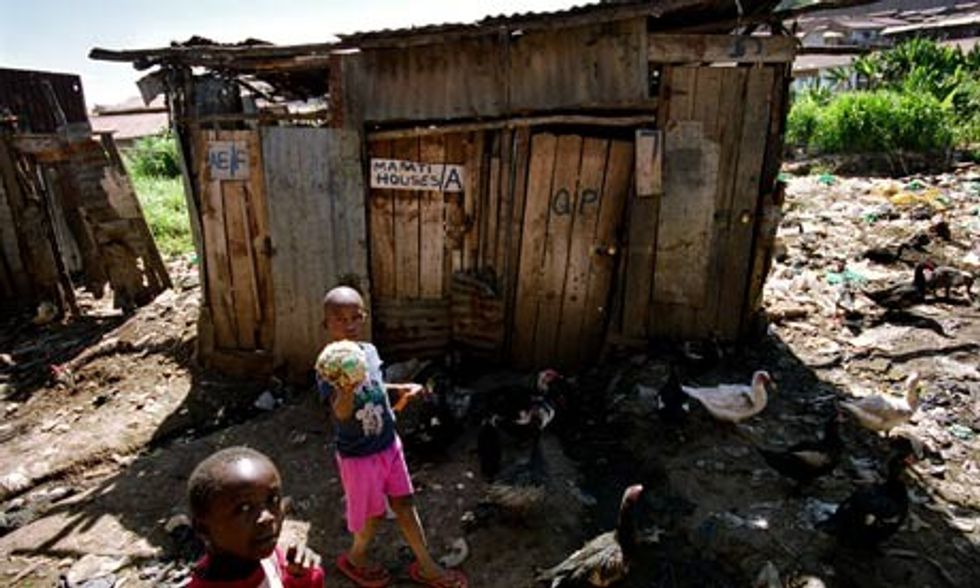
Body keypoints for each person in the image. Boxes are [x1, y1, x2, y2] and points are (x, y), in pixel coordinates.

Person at [319, 285, 467, 588]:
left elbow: (374, 387)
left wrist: (398, 391)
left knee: (405, 503)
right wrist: (345, 390)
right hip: (359, 457)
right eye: (339, 319)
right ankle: (355, 558)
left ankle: (427, 566)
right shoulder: (329, 367)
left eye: (354, 317)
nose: (348, 325)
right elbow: (340, 414)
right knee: (372, 515)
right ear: (326, 325)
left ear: (363, 317)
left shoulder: (369, 352)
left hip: (388, 445)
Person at [187, 446, 325, 588]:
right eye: (244, 508)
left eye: (273, 499)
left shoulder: (269, 558)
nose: (267, 517)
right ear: (203, 528)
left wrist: (301, 576)